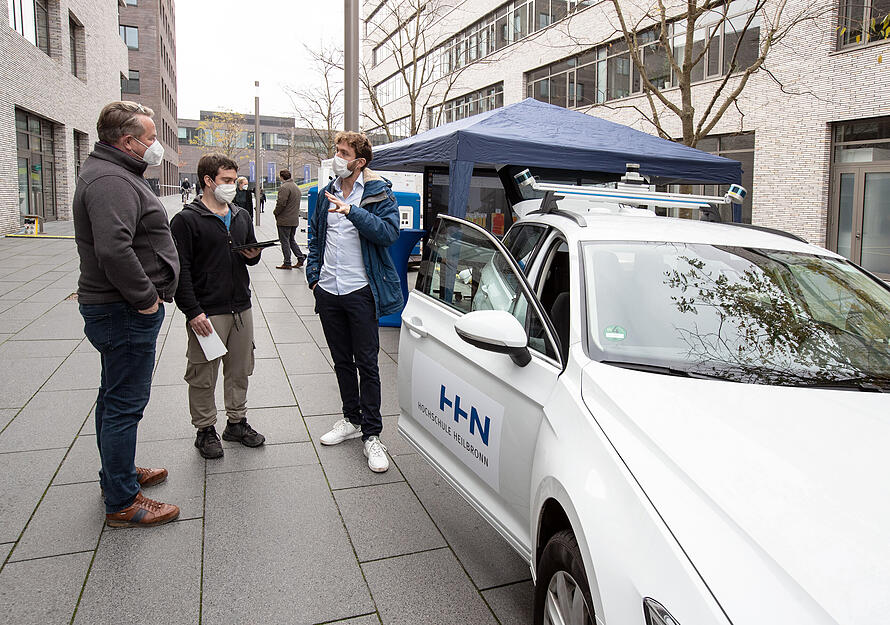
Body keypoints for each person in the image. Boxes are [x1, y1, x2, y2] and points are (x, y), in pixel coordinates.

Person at [73, 101, 181, 528]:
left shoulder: (114, 173)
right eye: (150, 138)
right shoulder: (110, 180)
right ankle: (122, 500)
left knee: (113, 394)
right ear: (126, 141)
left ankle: (116, 471)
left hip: (120, 308)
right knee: (124, 403)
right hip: (124, 310)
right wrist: (145, 300)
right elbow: (114, 249)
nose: (155, 146)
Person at [307, 131, 403, 473]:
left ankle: (373, 435)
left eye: (343, 152)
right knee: (341, 360)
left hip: (361, 291)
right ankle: (351, 419)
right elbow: (316, 236)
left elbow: (388, 234)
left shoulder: (379, 193)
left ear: (359, 162)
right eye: (336, 150)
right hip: (329, 290)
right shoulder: (325, 193)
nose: (337, 156)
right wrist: (313, 277)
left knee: (368, 363)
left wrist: (352, 212)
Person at [170, 154, 266, 459]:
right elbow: (180, 271)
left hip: (241, 306)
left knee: (240, 370)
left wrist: (253, 255)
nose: (232, 186)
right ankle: (205, 430)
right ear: (208, 181)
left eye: (234, 180)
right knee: (203, 374)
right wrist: (193, 311)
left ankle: (236, 423)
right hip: (207, 311)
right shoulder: (186, 220)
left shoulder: (240, 215)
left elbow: (249, 253)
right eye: (226, 180)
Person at [274, 169, 305, 269]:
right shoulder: (296, 187)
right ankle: (300, 257)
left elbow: (281, 203)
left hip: (284, 219)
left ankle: (287, 262)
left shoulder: (284, 187)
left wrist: (276, 212)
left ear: (281, 177)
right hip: (294, 219)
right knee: (291, 239)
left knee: (285, 241)